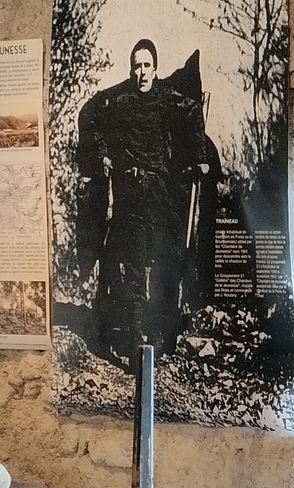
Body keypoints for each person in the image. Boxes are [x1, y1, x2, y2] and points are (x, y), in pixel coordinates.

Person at [75, 39, 210, 370]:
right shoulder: (120, 99)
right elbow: (89, 113)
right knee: (133, 266)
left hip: (160, 194)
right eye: (136, 65)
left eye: (147, 65)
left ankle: (162, 333)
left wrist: (200, 156)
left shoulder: (167, 97)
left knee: (169, 257)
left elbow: (193, 110)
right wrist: (103, 154)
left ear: (155, 67)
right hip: (130, 196)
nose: (142, 72)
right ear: (131, 68)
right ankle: (136, 343)